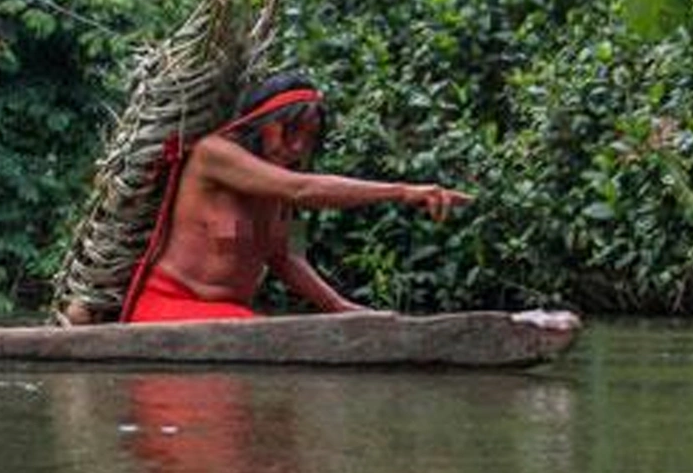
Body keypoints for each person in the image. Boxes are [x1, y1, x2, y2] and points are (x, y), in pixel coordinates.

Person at [114, 72, 471, 324]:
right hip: (171, 306)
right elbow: (301, 188)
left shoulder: (279, 187)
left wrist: (343, 309)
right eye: (289, 131)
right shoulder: (215, 154)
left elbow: (287, 258)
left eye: (309, 137)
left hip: (228, 318)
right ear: (261, 122)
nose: (298, 146)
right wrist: (403, 191)